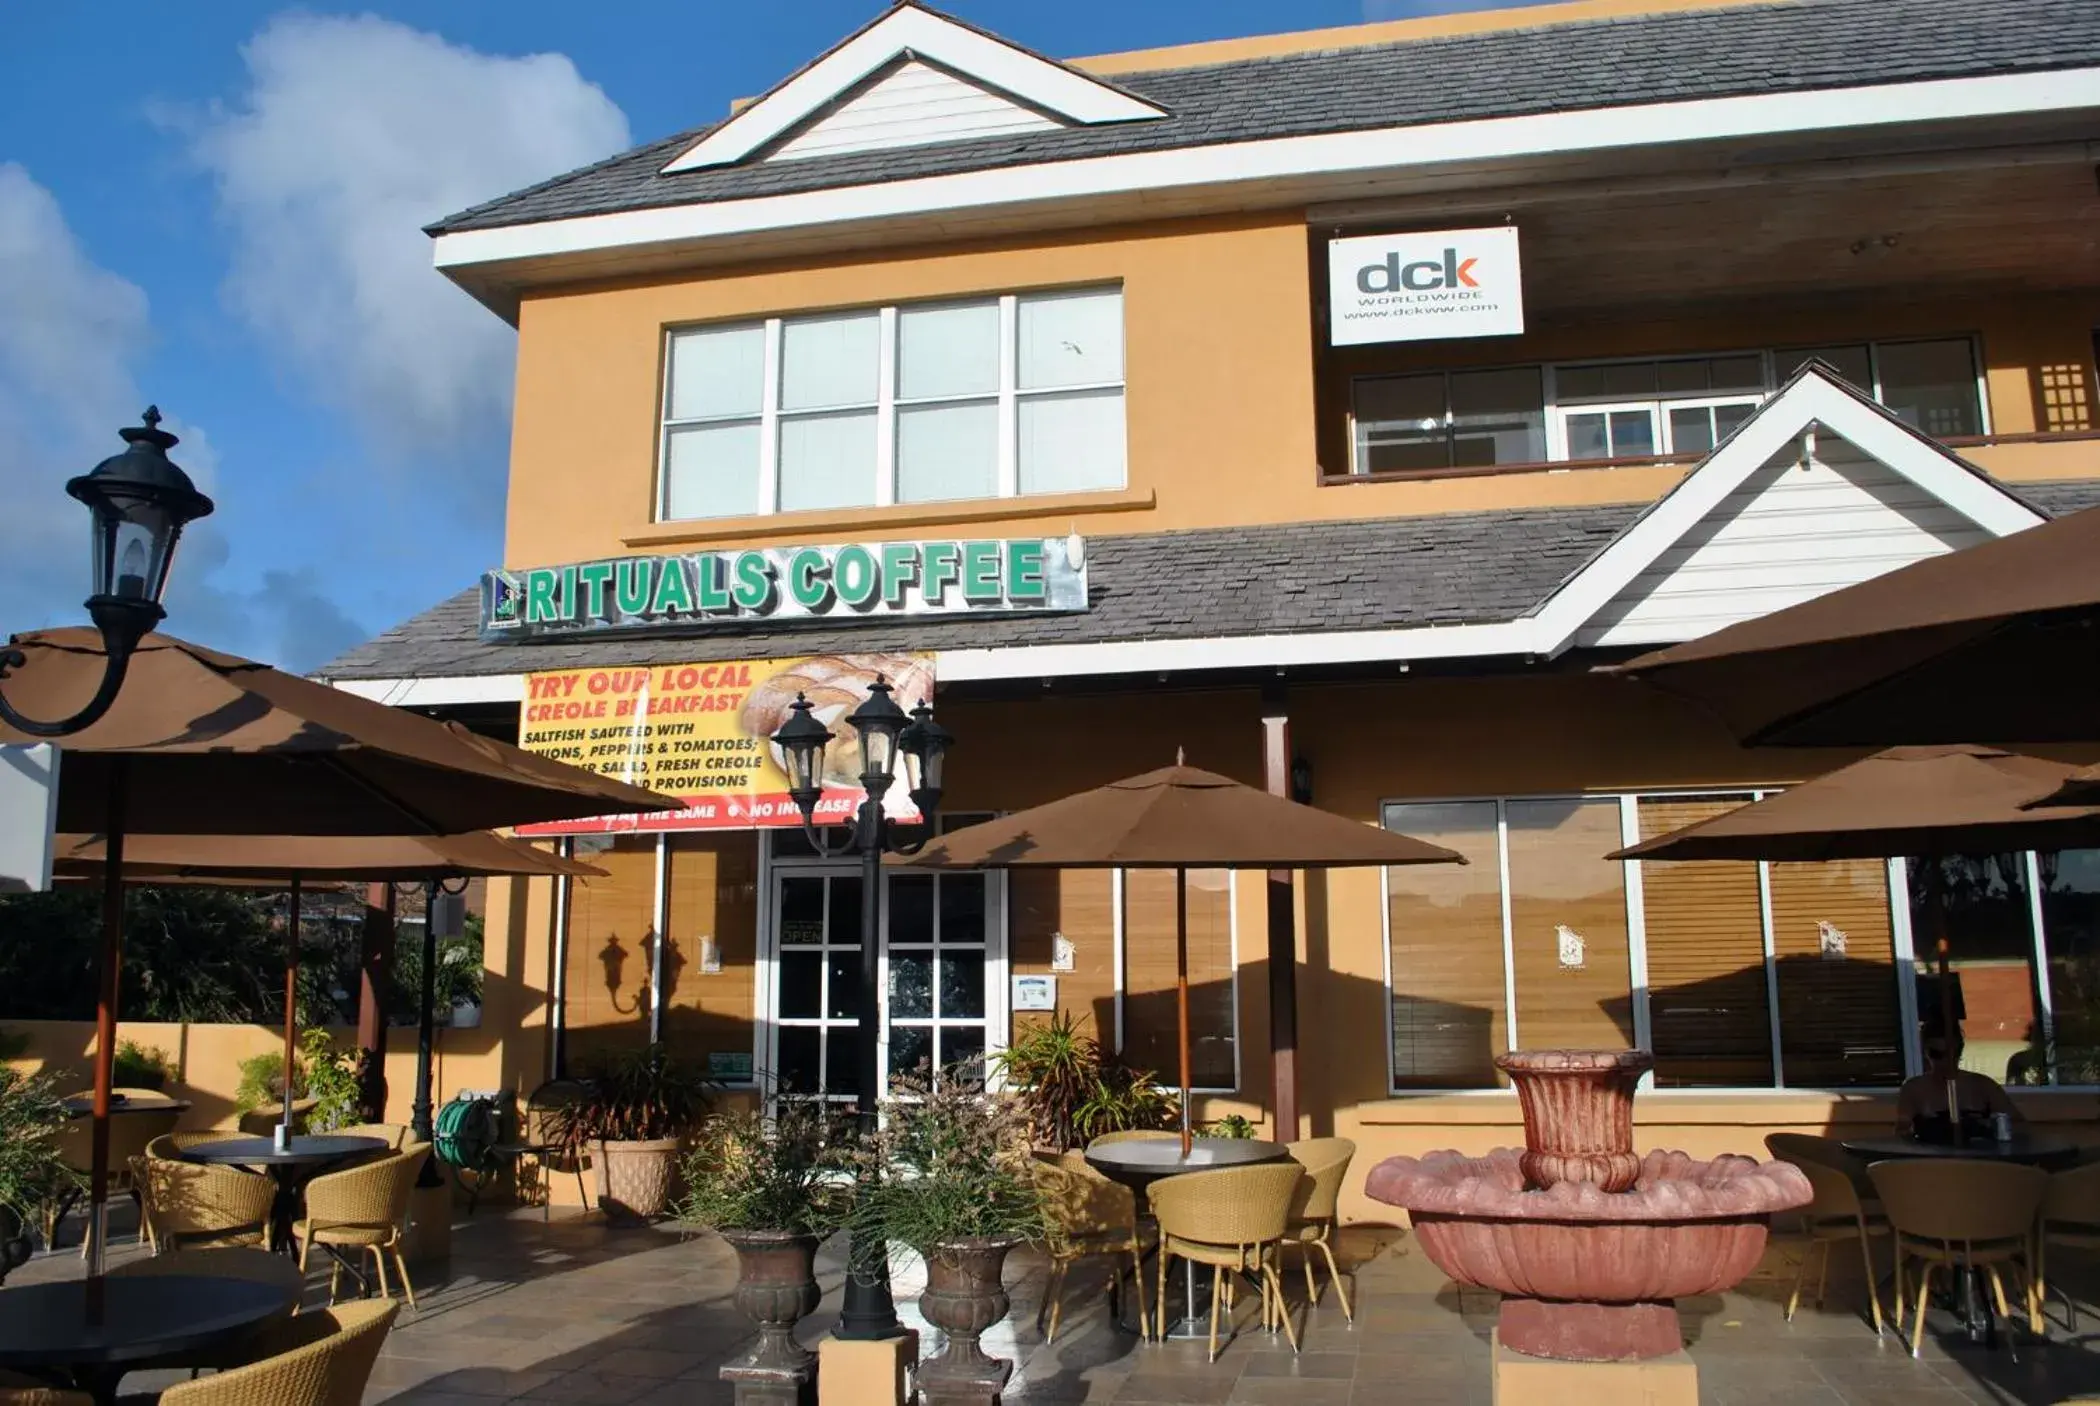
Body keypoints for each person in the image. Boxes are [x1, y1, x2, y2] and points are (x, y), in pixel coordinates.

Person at [1895, 1032, 2021, 1132]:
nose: (1945, 1061)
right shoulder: (1913, 1088)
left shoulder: (1983, 1085)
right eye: (1937, 1054)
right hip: (1931, 1159)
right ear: (1925, 1053)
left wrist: (1986, 1126)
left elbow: (2018, 1124)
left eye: (1952, 1053)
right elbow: (1902, 1131)